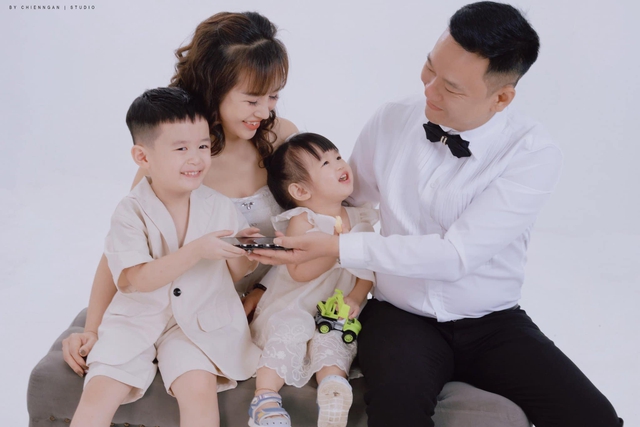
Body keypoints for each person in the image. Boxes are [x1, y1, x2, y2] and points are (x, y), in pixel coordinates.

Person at [248, 2, 624, 427]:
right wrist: (270, 280)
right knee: (396, 411)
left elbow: (455, 255)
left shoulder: (532, 154)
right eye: (429, 68)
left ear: (501, 97)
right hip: (399, 316)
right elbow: (340, 204)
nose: (428, 90)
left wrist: (338, 247)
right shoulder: (392, 119)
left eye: (451, 88)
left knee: (595, 418)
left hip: (493, 323)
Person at [61, 11, 298, 376]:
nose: (264, 112)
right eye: (252, 99)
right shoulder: (179, 161)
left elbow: (315, 222)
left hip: (280, 296)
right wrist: (92, 329)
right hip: (199, 309)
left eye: (274, 97)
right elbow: (123, 248)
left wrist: (263, 292)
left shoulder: (281, 137)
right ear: (214, 88)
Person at [70, 87, 262, 427]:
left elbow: (232, 275)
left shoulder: (218, 206)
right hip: (135, 319)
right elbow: (139, 278)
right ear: (143, 157)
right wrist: (197, 249)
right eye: (181, 148)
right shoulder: (130, 211)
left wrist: (245, 251)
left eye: (203, 146)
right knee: (99, 393)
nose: (196, 158)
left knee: (199, 392)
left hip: (198, 323)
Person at [248, 133, 377, 427]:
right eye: (326, 163)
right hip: (295, 303)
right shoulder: (303, 220)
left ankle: (333, 390)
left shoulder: (360, 219)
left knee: (333, 339)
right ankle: (265, 398)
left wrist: (356, 297)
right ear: (300, 190)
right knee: (290, 331)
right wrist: (335, 248)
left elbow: (368, 272)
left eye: (338, 156)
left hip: (335, 306)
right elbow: (298, 272)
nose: (340, 164)